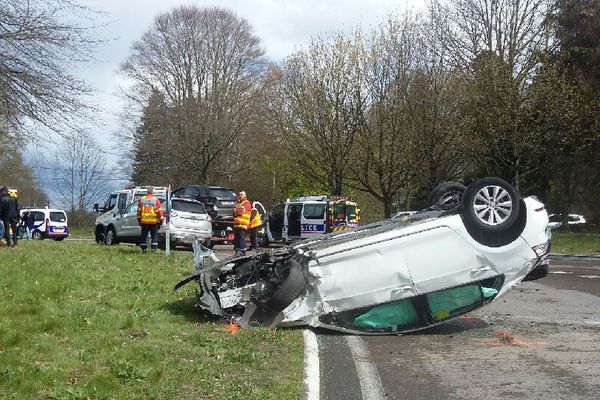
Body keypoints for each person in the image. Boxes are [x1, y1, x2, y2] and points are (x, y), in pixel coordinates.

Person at [136, 187, 164, 253]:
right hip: (154, 221)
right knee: (154, 236)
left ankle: (143, 250)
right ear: (153, 192)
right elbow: (160, 211)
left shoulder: (142, 199)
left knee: (143, 236)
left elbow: (139, 211)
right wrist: (161, 221)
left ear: (147, 192)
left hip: (144, 221)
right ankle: (153, 250)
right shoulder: (156, 200)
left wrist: (139, 220)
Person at [233, 191, 251, 255]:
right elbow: (233, 213)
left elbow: (240, 212)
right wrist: (235, 211)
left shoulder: (246, 203)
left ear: (245, 196)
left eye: (242, 195)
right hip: (237, 225)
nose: (240, 196)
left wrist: (236, 211)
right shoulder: (239, 203)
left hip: (243, 224)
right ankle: (237, 250)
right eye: (239, 194)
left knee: (241, 238)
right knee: (237, 239)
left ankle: (243, 250)